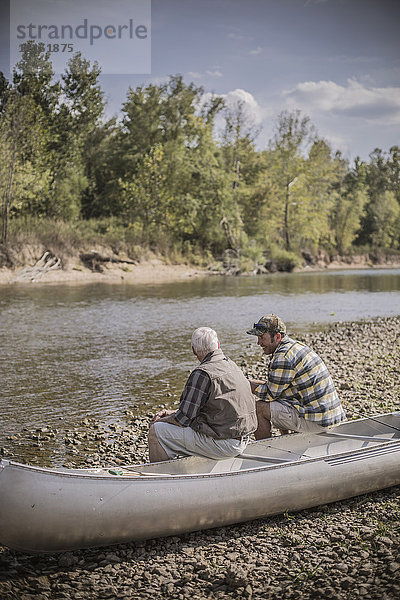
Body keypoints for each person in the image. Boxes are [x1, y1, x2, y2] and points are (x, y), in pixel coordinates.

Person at [148, 327, 257, 462]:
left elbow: (182, 420)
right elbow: (207, 409)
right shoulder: (230, 364)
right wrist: (171, 413)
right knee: (177, 427)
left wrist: (159, 421)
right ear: (218, 345)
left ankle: (160, 477)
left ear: (194, 350)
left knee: (156, 431)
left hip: (224, 444)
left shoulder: (202, 373)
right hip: (243, 437)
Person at [246, 314, 346, 439]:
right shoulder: (295, 346)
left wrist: (245, 385)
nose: (258, 343)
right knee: (280, 397)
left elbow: (269, 395)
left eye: (262, 338)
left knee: (258, 408)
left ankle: (266, 450)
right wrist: (248, 383)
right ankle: (289, 442)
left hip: (319, 422)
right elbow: (276, 390)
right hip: (331, 416)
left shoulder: (283, 357)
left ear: (277, 337)